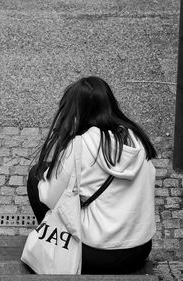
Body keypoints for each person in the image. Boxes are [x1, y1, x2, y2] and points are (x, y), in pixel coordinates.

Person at [27, 76, 157, 274]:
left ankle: (56, 250)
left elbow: (49, 199)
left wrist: (57, 182)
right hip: (139, 250)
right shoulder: (137, 139)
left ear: (76, 113)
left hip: (96, 254)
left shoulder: (79, 145)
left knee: (36, 176)